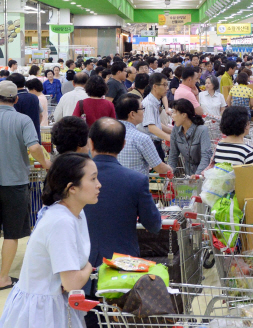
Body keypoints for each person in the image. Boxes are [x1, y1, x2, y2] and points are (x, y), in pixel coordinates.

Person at [0, 153, 95, 328]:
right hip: (42, 312)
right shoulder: (61, 221)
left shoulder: (75, 212)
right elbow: (71, 282)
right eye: (93, 179)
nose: (99, 185)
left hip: (53, 305)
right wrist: (88, 267)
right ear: (71, 188)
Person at [82, 118, 161, 328]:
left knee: (89, 319)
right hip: (122, 268)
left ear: (90, 143)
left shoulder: (74, 179)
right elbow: (154, 225)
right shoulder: (135, 180)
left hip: (81, 267)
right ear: (123, 145)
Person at [0, 80, 51, 292]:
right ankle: (3, 278)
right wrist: (48, 165)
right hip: (15, 183)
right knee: (12, 233)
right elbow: (34, 146)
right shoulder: (22, 120)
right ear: (16, 99)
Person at [116, 94, 171, 175]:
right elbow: (159, 167)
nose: (143, 112)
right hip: (137, 184)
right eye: (142, 108)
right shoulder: (142, 138)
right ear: (132, 114)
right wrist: (171, 169)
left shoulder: (109, 134)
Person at [168, 99, 212, 175]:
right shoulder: (176, 130)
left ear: (184, 115)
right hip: (188, 174)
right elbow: (173, 155)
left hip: (203, 175)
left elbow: (206, 156)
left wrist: (197, 176)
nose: (172, 116)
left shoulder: (202, 130)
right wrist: (170, 172)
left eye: (174, 112)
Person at [140, 73, 172, 161]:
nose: (167, 88)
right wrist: (170, 138)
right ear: (155, 86)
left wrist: (171, 131)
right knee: (158, 173)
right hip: (150, 144)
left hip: (154, 143)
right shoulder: (149, 104)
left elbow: (156, 123)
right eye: (164, 85)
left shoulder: (155, 101)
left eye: (167, 85)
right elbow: (152, 127)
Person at [7, 73, 42, 141]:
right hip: (35, 136)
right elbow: (41, 115)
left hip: (20, 138)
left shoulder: (14, 99)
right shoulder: (34, 97)